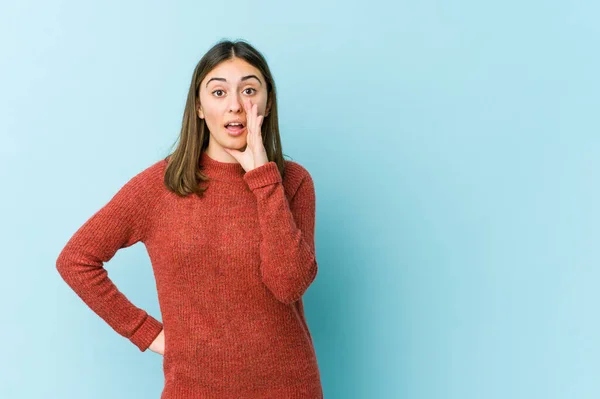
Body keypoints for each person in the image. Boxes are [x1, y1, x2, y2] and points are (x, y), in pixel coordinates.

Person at [56, 39, 324, 398]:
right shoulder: (160, 186)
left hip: (288, 386)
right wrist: (145, 331)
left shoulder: (293, 182)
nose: (235, 106)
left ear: (267, 102)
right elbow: (76, 259)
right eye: (218, 92)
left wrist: (264, 182)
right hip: (193, 388)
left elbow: (288, 285)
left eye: (248, 90)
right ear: (199, 106)